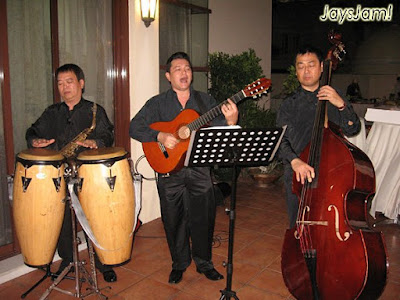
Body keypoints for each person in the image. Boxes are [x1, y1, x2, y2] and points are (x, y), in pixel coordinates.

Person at [129, 52, 238, 284]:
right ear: (168, 76)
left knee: (204, 218)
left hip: (199, 169)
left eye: (187, 68)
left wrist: (230, 121)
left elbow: (219, 130)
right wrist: (159, 135)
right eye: (178, 69)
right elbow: (134, 126)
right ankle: (179, 263)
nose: (184, 72)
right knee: (173, 219)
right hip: (168, 171)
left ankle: (204, 263)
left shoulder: (205, 102)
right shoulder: (157, 103)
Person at [25, 63, 117, 282]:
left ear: (81, 84)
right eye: (60, 83)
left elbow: (108, 135)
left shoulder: (95, 111)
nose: (64, 87)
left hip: (88, 175)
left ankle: (103, 262)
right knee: (63, 221)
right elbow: (33, 131)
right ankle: (67, 261)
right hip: (58, 175)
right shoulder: (51, 113)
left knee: (92, 220)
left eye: (69, 82)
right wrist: (35, 140)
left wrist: (96, 142)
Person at [276, 46, 361, 229]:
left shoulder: (333, 96)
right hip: (297, 175)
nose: (306, 71)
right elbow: (281, 140)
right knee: (298, 225)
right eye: (301, 66)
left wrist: (340, 104)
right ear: (296, 71)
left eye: (311, 65)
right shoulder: (289, 104)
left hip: (331, 174)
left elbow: (353, 129)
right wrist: (295, 161)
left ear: (322, 67)